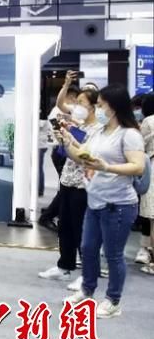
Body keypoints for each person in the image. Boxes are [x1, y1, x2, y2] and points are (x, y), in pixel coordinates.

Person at [63, 84, 145, 319]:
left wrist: (106, 167)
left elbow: (137, 166)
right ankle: (87, 290)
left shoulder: (129, 135)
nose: (97, 109)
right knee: (88, 249)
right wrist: (67, 141)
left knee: (113, 254)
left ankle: (113, 300)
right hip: (96, 201)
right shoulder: (99, 132)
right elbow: (83, 156)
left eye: (100, 105)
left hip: (118, 205)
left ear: (114, 107)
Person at [38, 87, 100, 285]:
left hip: (84, 184)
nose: (77, 106)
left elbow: (86, 157)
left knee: (82, 228)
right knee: (64, 225)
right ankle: (64, 265)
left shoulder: (98, 130)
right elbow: (68, 153)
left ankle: (88, 273)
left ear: (93, 107)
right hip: (67, 179)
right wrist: (63, 138)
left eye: (81, 103)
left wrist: (68, 141)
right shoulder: (77, 125)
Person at [38, 77, 80, 230]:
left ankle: (56, 215)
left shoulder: (70, 112)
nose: (76, 102)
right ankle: (48, 216)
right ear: (70, 96)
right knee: (66, 187)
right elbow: (58, 131)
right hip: (62, 150)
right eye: (76, 98)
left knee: (67, 187)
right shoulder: (57, 112)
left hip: (68, 150)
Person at [136, 93, 154, 270]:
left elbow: (140, 145)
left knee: (151, 215)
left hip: (151, 167)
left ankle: (150, 256)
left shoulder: (149, 121)